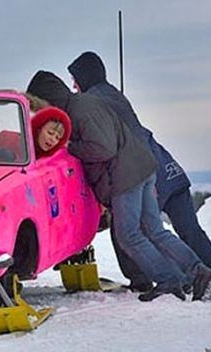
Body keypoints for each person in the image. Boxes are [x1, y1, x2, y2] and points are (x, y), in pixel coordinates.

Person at [27, 70, 211, 301]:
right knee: (155, 230)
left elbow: (103, 148)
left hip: (126, 176)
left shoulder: (79, 110)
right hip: (141, 168)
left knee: (129, 235)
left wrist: (71, 148)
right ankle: (196, 271)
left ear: (48, 98)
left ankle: (168, 279)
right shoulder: (86, 103)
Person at [67, 51, 211, 291]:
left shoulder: (95, 102)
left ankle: (147, 281)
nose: (73, 85)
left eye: (74, 79)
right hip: (170, 169)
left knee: (127, 232)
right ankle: (202, 270)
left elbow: (110, 143)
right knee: (188, 230)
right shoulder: (113, 95)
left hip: (149, 174)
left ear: (84, 77)